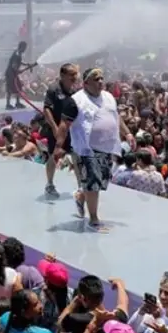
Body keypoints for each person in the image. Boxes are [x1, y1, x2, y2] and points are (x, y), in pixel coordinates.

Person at [64, 67, 129, 232]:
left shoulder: (108, 97)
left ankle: (80, 196)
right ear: (86, 83)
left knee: (98, 182)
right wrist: (59, 146)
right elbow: (65, 124)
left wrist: (127, 133)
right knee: (93, 183)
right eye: (96, 79)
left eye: (101, 78)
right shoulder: (76, 100)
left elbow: (116, 117)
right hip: (87, 149)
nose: (100, 82)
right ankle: (93, 219)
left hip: (106, 147)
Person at [43, 63, 79, 200]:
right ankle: (50, 184)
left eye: (76, 74)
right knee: (54, 156)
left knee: (76, 157)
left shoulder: (75, 91)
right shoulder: (53, 89)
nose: (74, 77)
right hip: (56, 130)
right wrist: (54, 128)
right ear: (62, 75)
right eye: (71, 74)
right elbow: (47, 110)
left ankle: (81, 187)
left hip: (70, 130)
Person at [4, 42, 35, 110]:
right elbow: (14, 65)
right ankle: (8, 105)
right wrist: (18, 71)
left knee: (19, 87)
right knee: (9, 88)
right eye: (25, 48)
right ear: (22, 47)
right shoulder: (17, 53)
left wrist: (26, 64)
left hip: (13, 73)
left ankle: (17, 103)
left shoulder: (19, 53)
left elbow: (19, 62)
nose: (25, 49)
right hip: (10, 73)